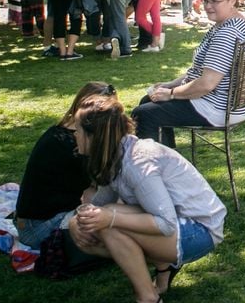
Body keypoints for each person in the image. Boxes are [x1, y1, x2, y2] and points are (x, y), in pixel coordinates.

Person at [69, 98, 225, 303]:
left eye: (78, 130)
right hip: (178, 222)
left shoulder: (137, 163)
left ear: (94, 137)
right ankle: (163, 268)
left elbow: (166, 223)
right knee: (99, 221)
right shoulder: (117, 153)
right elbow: (99, 205)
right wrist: (75, 222)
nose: (74, 134)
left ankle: (148, 298)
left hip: (201, 231)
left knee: (108, 225)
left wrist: (111, 219)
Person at [131, 0, 245, 146]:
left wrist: (171, 94)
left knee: (144, 113)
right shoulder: (237, 23)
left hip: (216, 108)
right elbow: (199, 71)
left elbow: (206, 84)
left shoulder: (227, 33)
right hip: (227, 104)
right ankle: (168, 161)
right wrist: (171, 84)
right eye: (205, 1)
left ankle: (161, 168)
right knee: (149, 101)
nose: (208, 6)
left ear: (232, 0)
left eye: (214, 1)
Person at [15, 82, 117, 247]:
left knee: (118, 216)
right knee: (116, 220)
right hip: (36, 228)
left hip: (34, 219)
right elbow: (99, 189)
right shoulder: (73, 144)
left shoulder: (63, 131)